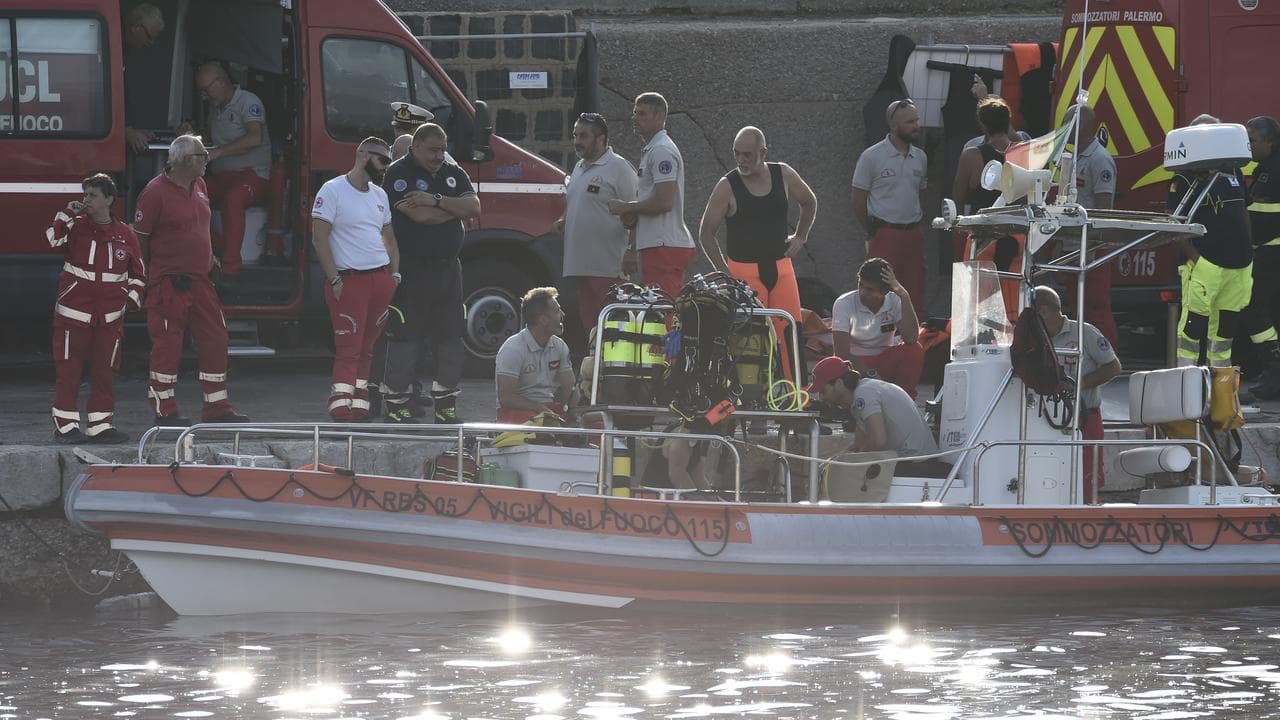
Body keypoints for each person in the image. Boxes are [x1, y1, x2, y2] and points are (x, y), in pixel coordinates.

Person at [135, 134, 248, 425]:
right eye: (202, 156)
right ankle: (165, 409)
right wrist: (151, 274)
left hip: (200, 280)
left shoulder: (199, 185)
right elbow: (141, 240)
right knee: (167, 345)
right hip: (169, 283)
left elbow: (201, 227)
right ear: (185, 160)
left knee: (215, 339)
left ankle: (217, 407)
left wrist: (210, 257)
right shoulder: (154, 193)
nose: (207, 159)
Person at [696, 125, 817, 383]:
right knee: (749, 338)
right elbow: (706, 233)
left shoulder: (782, 173)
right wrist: (725, 274)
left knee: (790, 332)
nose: (741, 160)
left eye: (748, 154)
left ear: (763, 152)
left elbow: (809, 201)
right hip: (743, 272)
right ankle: (750, 401)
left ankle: (797, 401)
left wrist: (801, 236)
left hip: (781, 267)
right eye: (736, 153)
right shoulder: (727, 186)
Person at [380, 122, 481, 423]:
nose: (440, 156)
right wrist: (454, 211)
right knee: (406, 336)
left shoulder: (452, 171)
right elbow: (419, 216)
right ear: (417, 146)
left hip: (449, 268)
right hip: (413, 268)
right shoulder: (399, 173)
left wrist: (436, 200)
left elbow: (474, 207)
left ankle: (445, 405)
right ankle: (397, 403)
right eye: (434, 150)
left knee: (450, 336)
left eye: (443, 149)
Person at [47, 174, 146, 444]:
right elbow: (52, 239)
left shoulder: (126, 234)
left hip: (110, 317)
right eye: (85, 194)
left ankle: (100, 425)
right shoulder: (75, 226)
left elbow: (138, 274)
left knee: (105, 371)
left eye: (92, 195)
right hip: (73, 313)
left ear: (109, 199)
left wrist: (129, 301)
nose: (85, 199)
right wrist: (67, 212)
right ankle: (65, 426)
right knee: (69, 370)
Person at [311, 137, 400, 421]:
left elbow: (389, 237)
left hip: (380, 280)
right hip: (349, 281)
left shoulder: (380, 195)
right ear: (362, 154)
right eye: (382, 160)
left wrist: (394, 274)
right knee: (349, 347)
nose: (386, 166)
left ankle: (359, 402)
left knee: (367, 348)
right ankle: (340, 402)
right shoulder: (332, 190)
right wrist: (334, 279)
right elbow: (319, 236)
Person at [1169, 114, 1254, 370]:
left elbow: (1243, 211)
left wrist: (1249, 248)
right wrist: (1196, 258)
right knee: (1192, 331)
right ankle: (1186, 388)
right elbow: (1174, 224)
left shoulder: (1233, 170)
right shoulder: (1183, 178)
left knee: (1225, 334)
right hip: (1204, 263)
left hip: (1238, 264)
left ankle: (1220, 398)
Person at [1032, 286, 1121, 503]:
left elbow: (1114, 367)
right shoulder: (1035, 340)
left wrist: (1078, 385)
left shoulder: (1085, 333)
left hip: (1085, 418)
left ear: (1043, 311)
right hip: (1048, 421)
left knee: (1087, 479)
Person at [607, 92, 696, 301]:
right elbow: (649, 201)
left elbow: (665, 202)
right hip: (657, 244)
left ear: (659, 117)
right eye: (635, 113)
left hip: (664, 245)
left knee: (664, 307)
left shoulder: (662, 150)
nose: (635, 118)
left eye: (642, 113)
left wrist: (627, 207)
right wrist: (632, 246)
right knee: (658, 305)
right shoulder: (652, 149)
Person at [192, 61, 272, 291]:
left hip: (253, 175)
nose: (205, 96)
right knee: (189, 195)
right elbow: (213, 136)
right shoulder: (216, 108)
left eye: (207, 90)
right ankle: (223, 247)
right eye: (202, 92)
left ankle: (230, 271)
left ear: (222, 80)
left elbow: (254, 137)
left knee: (233, 200)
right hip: (223, 175)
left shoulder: (248, 102)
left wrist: (220, 152)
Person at [558, 112, 638, 335]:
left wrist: (632, 250)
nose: (576, 141)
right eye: (575, 135)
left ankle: (613, 368)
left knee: (614, 324)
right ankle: (594, 367)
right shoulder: (579, 167)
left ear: (601, 139)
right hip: (580, 263)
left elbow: (636, 210)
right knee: (591, 327)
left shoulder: (619, 168)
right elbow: (579, 200)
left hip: (608, 265)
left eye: (583, 136)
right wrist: (564, 219)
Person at [851, 98, 928, 313]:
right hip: (884, 233)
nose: (916, 126)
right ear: (893, 125)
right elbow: (857, 200)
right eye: (909, 122)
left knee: (914, 290)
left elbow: (918, 192)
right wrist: (872, 229)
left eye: (916, 120)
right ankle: (876, 340)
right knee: (878, 291)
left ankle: (914, 341)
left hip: (913, 234)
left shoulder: (920, 157)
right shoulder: (871, 157)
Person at [805, 356, 943, 474]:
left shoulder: (863, 395)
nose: (821, 398)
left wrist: (852, 460)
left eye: (823, 391)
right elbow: (858, 443)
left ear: (839, 383)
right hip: (915, 458)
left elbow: (878, 441)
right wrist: (833, 461)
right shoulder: (861, 393)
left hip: (916, 461)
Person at [1058, 104, 1119, 347]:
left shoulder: (1099, 159)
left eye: (1067, 124)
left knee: (1095, 307)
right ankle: (1083, 354)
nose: (1064, 129)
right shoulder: (1071, 159)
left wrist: (1094, 246)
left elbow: (1104, 210)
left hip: (1091, 247)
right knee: (1076, 307)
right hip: (1071, 246)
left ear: (1081, 126)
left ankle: (1107, 357)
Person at [831, 258, 924, 398]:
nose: (862, 292)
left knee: (914, 349)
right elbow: (841, 354)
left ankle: (905, 399)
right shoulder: (844, 303)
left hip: (885, 359)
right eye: (860, 285)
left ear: (886, 291)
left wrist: (904, 295)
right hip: (855, 363)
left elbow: (911, 338)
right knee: (838, 366)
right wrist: (871, 374)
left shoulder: (895, 299)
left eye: (869, 289)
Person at [494, 287, 577, 424]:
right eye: (557, 311)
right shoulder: (513, 349)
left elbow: (570, 388)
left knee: (595, 424)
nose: (562, 314)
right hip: (516, 413)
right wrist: (540, 409)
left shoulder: (560, 346)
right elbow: (506, 398)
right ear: (543, 320)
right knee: (546, 427)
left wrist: (576, 412)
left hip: (548, 409)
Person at [1241, 115, 1280, 399]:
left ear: (1270, 141)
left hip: (1272, 250)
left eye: (1252, 140)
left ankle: (1273, 372)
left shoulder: (1275, 170)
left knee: (1255, 308)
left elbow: (1264, 214)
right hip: (1267, 250)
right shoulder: (1265, 166)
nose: (1248, 145)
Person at [124, 3, 165, 155]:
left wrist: (130, 130)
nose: (150, 43)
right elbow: (107, 91)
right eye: (149, 37)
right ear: (136, 28)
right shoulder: (110, 44)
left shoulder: (124, 49)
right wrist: (125, 131)